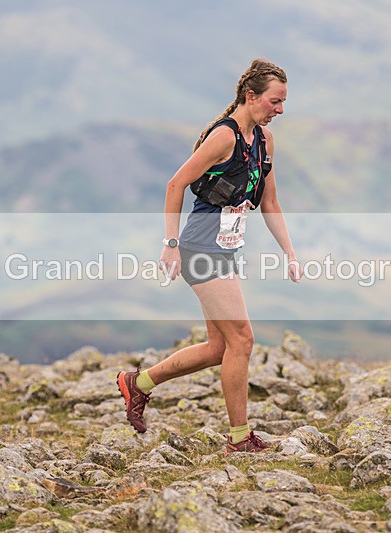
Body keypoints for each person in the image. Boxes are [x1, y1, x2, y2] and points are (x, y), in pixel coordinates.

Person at [117, 58, 301, 454]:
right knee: (243, 340)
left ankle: (138, 383)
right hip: (201, 246)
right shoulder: (224, 137)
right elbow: (175, 184)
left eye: (283, 102)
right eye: (275, 101)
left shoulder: (264, 142)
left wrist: (289, 252)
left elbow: (270, 202)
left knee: (220, 347)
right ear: (250, 97)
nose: (280, 110)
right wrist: (170, 245)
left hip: (226, 247)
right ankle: (240, 438)